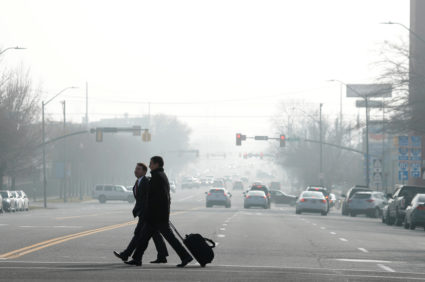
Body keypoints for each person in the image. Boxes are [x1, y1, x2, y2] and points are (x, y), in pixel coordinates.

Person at [125, 156, 193, 267]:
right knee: (143, 238)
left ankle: (186, 256)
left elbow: (157, 198)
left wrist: (152, 212)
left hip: (157, 216)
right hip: (156, 215)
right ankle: (137, 258)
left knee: (170, 238)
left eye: (151, 163)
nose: (149, 165)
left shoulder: (157, 177)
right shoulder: (160, 176)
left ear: (157, 164)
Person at [113, 162, 169, 264]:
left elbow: (148, 198)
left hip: (147, 213)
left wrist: (148, 211)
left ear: (144, 171)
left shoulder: (146, 182)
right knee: (155, 235)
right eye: (135, 169)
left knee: (138, 233)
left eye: (138, 169)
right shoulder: (138, 181)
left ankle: (126, 254)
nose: (136, 171)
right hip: (144, 213)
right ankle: (162, 255)